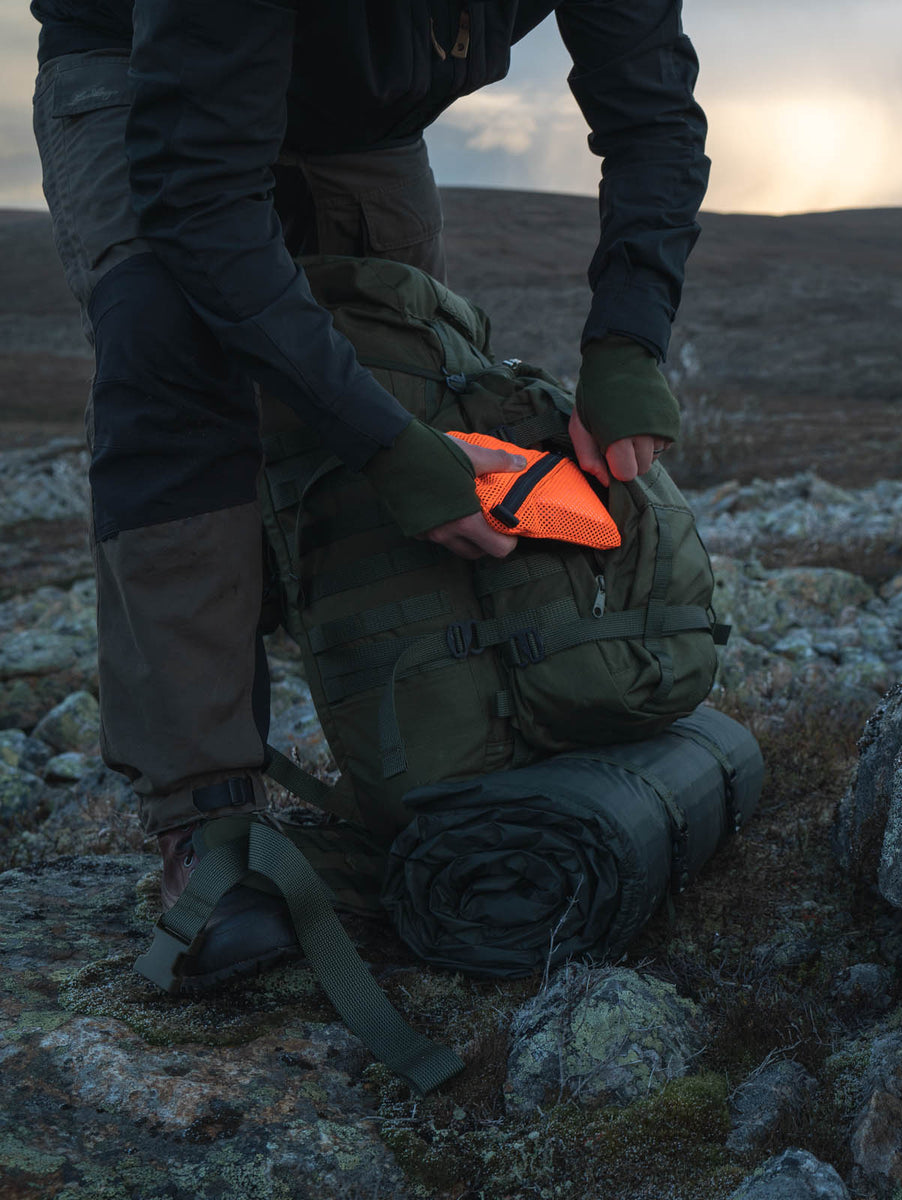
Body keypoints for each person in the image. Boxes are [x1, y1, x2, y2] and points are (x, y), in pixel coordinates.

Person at [30, 0, 710, 987]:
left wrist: (628, 338)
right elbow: (199, 203)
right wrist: (384, 449)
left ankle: (442, 748)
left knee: (407, 368)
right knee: (170, 345)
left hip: (367, 124)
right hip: (140, 69)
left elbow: (650, 116)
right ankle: (205, 820)